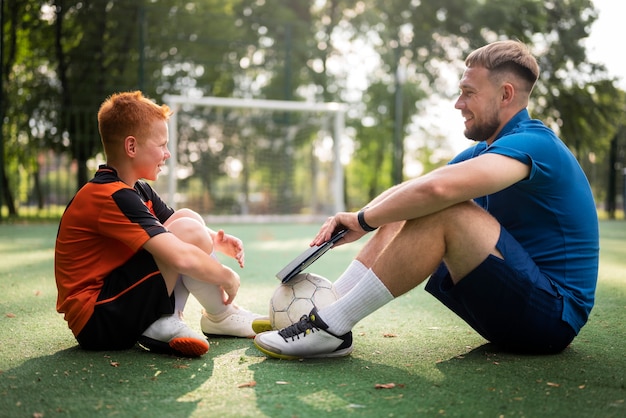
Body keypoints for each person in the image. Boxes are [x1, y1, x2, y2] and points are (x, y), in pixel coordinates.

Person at [253, 40, 599, 359]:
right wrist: (364, 215)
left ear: (506, 94)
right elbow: (418, 187)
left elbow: (438, 192)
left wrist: (362, 222)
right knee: (410, 206)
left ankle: (331, 328)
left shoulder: (536, 144)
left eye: (468, 92)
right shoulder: (487, 149)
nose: (458, 103)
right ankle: (330, 307)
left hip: (552, 320)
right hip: (516, 312)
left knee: (444, 210)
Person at [55, 91, 264, 357]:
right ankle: (212, 315)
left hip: (114, 301)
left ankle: (174, 319)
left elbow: (179, 224)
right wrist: (227, 277)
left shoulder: (134, 190)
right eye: (162, 145)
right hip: (98, 319)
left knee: (189, 218)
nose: (167, 154)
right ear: (131, 147)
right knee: (187, 232)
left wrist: (216, 240)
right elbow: (182, 253)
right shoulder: (110, 195)